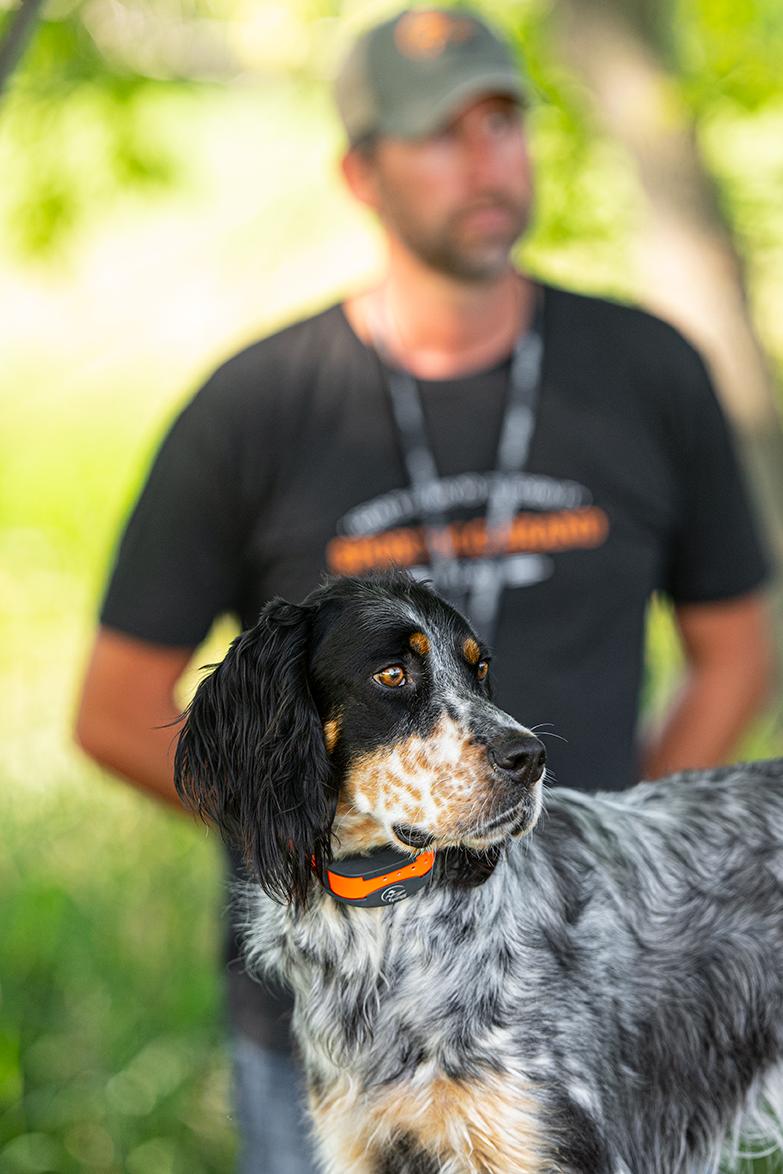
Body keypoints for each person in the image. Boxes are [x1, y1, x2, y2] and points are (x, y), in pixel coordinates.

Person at [74, 8, 773, 1173]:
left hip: (571, 970)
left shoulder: (645, 369)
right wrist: (320, 828)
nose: (485, 156)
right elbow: (111, 708)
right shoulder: (258, 404)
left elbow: (738, 647)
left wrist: (617, 874)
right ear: (361, 171)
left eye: (503, 121)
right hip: (318, 1010)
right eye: (438, 133)